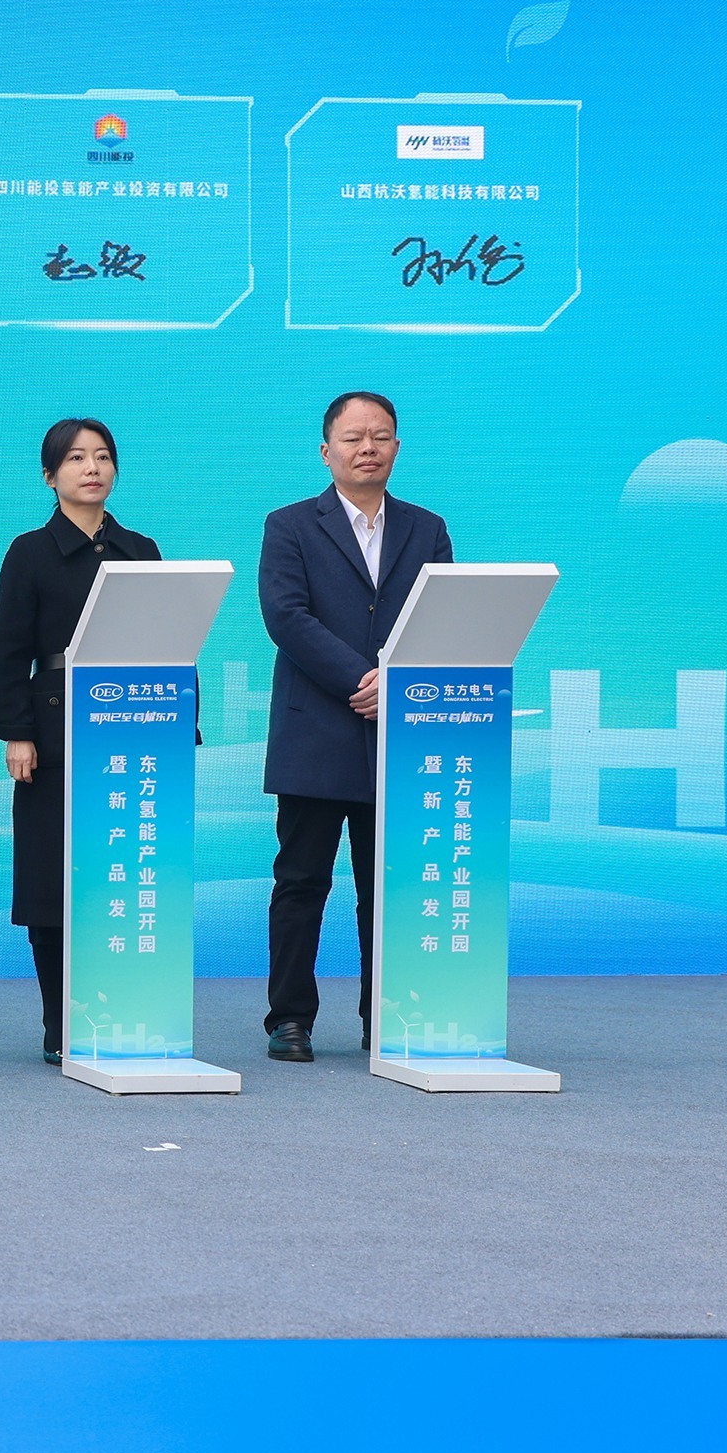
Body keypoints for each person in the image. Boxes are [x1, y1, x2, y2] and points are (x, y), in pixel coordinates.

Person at [258, 391, 453, 1063]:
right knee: (301, 881)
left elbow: (441, 616)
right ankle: (289, 1018)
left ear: (397, 446)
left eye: (381, 435)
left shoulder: (427, 529)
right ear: (326, 451)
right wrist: (365, 679)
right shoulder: (289, 525)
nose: (368, 447)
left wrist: (396, 684)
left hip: (398, 738)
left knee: (389, 886)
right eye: (353, 437)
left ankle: (387, 1017)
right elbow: (287, 617)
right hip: (315, 730)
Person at [0, 419, 159, 1065]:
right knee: (52, 881)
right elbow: (8, 654)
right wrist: (17, 733)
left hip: (133, 734)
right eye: (76, 458)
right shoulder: (29, 551)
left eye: (103, 457)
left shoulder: (140, 549)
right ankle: (61, 1022)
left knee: (122, 876)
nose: (92, 468)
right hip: (55, 737)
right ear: (50, 476)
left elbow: (170, 641)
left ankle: (127, 1010)